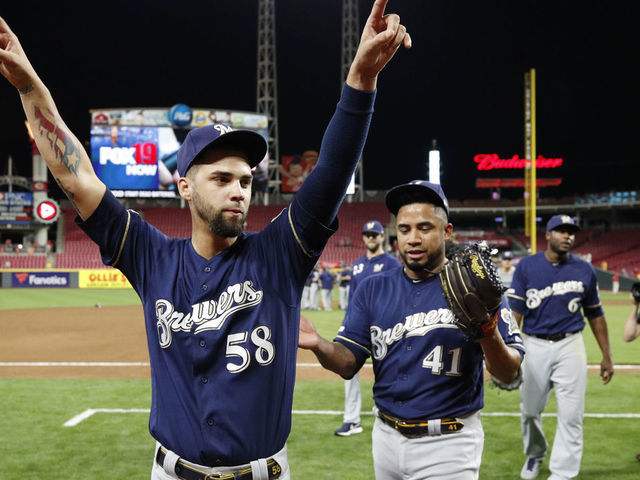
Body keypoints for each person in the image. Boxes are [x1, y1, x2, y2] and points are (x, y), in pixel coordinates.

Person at [0, 3, 411, 478]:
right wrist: (30, 86)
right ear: (185, 187)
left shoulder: (281, 254)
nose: (238, 189)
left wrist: (360, 82)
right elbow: (77, 179)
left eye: (245, 179)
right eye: (221, 178)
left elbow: (333, 172)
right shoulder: (150, 255)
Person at [300, 180, 524, 478]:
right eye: (404, 230)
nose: (413, 239)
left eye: (425, 228)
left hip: (450, 442)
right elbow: (347, 362)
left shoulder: (474, 288)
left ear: (446, 231)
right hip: (385, 438)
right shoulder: (372, 288)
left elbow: (509, 374)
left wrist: (487, 330)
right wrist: (318, 344)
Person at [507, 214, 614, 480]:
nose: (567, 236)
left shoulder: (584, 269)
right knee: (530, 411)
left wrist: (606, 356)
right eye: (561, 231)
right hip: (534, 344)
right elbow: (514, 315)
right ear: (547, 235)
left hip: (570, 344)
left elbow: (596, 314)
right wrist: (508, 352)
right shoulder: (527, 267)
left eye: (571, 232)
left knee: (571, 414)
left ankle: (563, 472)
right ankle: (535, 453)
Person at [334, 219, 401, 437]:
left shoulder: (392, 264)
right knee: (348, 370)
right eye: (367, 234)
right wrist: (347, 323)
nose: (371, 238)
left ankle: (394, 415)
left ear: (382, 237)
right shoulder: (358, 265)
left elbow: (398, 296)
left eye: (375, 234)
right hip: (360, 327)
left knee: (390, 371)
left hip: (386, 327)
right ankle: (352, 420)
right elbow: (353, 299)